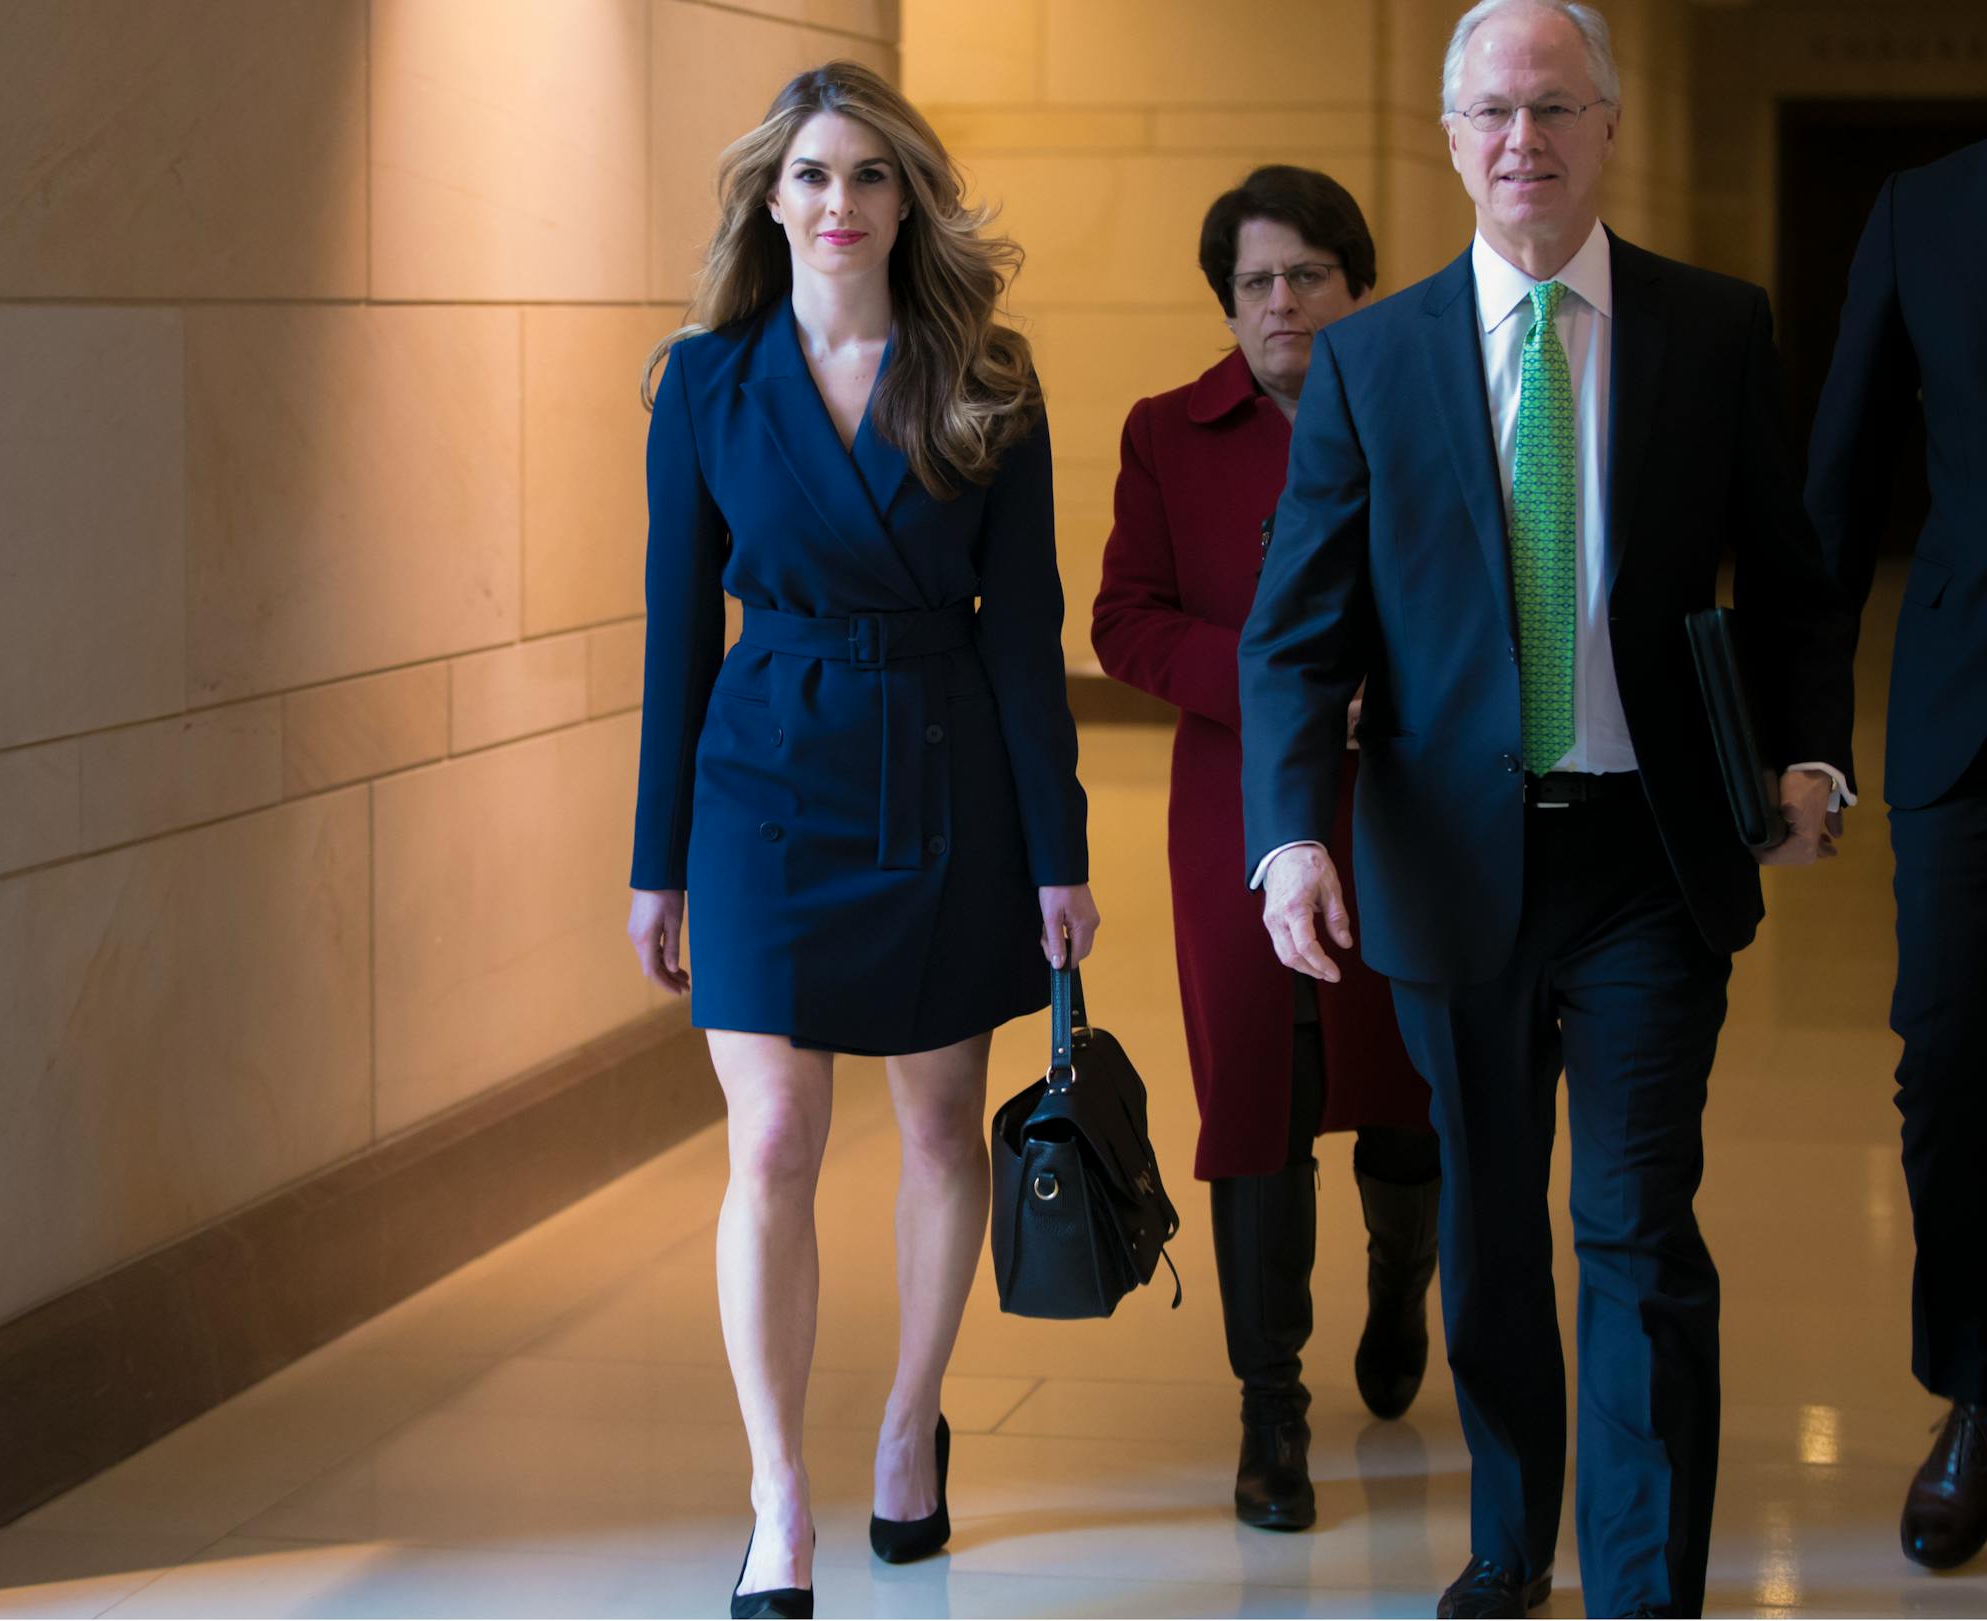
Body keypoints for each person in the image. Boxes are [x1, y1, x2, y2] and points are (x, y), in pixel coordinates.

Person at [1236, 2, 1857, 1614]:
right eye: (1494, 113)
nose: (1524, 140)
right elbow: (1296, 633)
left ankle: (1649, 1583)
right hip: (1449, 865)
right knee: (1496, 1231)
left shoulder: (1713, 328)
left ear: (1608, 128)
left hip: (1652, 854)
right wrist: (1292, 835)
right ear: (1451, 139)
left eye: (1556, 108)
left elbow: (1793, 582)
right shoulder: (1371, 361)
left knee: (1638, 1219)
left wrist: (1809, 755)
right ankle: (1514, 1538)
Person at [625, 60, 1096, 1621]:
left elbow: (1026, 631)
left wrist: (1059, 850)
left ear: (910, 201)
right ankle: (779, 1496)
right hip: (763, 773)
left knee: (944, 1126)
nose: (842, 203)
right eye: (815, 176)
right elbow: (675, 632)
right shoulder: (701, 382)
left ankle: (908, 1422)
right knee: (771, 1141)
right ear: (774, 196)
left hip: (945, 765)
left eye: (872, 176)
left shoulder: (990, 372)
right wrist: (658, 858)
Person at [1090, 165, 1440, 1534]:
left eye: (1308, 276)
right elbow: (1126, 620)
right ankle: (1271, 1405)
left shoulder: (1431, 409)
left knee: (1404, 1076)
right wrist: (1280, 678)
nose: (1282, 303)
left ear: (1359, 288)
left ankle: (1404, 1282)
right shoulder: (1168, 432)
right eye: (1255, 284)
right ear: (1227, 303)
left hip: (1408, 799)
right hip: (1236, 802)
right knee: (1256, 1090)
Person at [1806, 136, 1987, 1575]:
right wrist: (1803, 733)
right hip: (1966, 709)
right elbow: (1843, 478)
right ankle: (1979, 1389)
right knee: (1950, 1065)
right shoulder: (1923, 209)